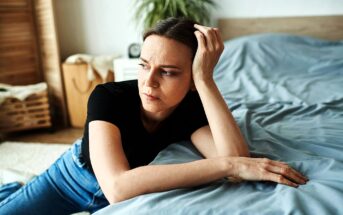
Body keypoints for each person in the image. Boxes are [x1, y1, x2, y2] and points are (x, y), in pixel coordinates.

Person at [0, 17, 308, 214]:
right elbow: (117, 188)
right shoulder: (108, 97)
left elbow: (239, 161)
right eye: (144, 65)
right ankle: (13, 188)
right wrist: (229, 165)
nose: (149, 82)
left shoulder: (192, 104)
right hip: (70, 179)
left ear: (191, 77)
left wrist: (205, 81)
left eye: (169, 72)